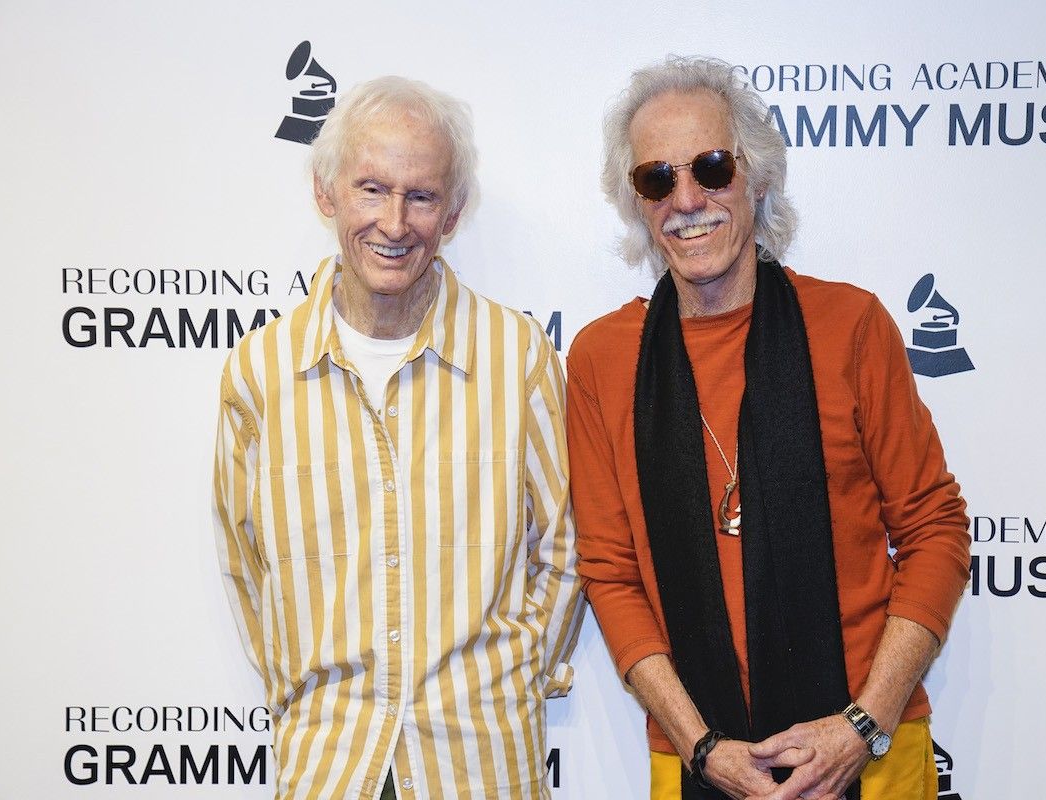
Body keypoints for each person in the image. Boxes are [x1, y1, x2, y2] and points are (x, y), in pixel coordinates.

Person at [566, 56, 970, 800]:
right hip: (698, 762)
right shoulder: (601, 359)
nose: (687, 200)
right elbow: (611, 574)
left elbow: (935, 530)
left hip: (870, 754)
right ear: (637, 201)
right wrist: (703, 746)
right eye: (658, 179)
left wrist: (861, 724)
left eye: (712, 168)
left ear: (755, 175)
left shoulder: (851, 326)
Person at [213, 76, 584, 800]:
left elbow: (565, 545)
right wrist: (300, 690)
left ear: (453, 213)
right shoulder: (259, 371)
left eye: (421, 196)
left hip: (481, 764)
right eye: (371, 189)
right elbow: (246, 562)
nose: (393, 221)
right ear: (327, 195)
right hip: (326, 764)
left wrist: (508, 681)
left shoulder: (518, 357)